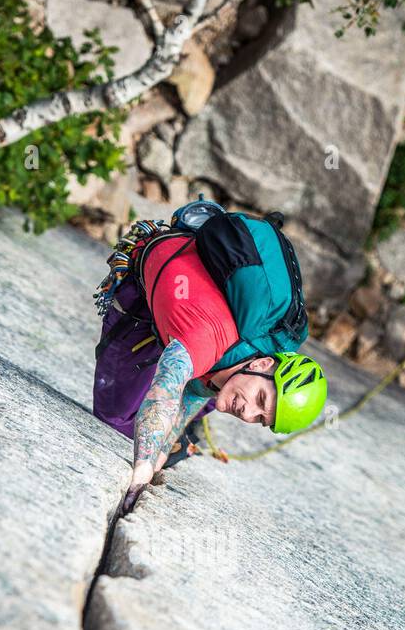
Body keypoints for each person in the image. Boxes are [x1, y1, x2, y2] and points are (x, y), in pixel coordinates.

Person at [97, 219, 327, 515]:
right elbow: (166, 390)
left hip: (187, 332)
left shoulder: (243, 363)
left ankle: (192, 431)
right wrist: (142, 469)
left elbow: (194, 392)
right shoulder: (206, 338)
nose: (248, 414)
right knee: (115, 418)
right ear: (263, 362)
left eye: (260, 419)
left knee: (207, 395)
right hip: (143, 290)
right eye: (260, 400)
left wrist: (162, 453)